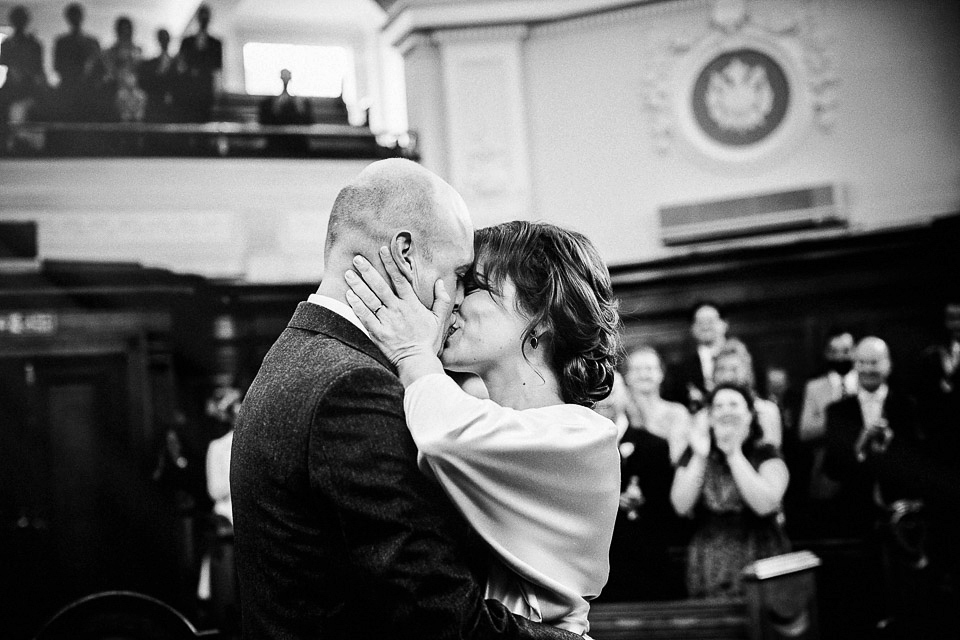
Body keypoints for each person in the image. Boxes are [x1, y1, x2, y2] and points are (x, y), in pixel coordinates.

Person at [231, 159, 583, 640]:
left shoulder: (298, 353)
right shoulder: (353, 388)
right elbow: (435, 614)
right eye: (460, 273)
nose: (459, 298)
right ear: (405, 254)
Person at [343, 220, 622, 633]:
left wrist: (412, 351)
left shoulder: (584, 437)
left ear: (542, 314)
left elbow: (444, 438)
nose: (452, 300)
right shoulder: (482, 420)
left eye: (472, 286)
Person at [671, 383, 790, 598]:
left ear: (749, 414)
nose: (726, 410)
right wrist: (700, 456)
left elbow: (765, 505)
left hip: (760, 551)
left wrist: (734, 454)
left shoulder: (766, 453)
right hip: (710, 557)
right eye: (718, 406)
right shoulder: (696, 452)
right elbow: (681, 505)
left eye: (733, 404)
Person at [603, 346, 688, 601]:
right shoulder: (594, 432)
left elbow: (673, 469)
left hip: (655, 524)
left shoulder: (668, 423)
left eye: (650, 368)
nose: (644, 374)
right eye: (637, 369)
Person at [821, 337, 922, 538]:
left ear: (889, 364)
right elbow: (831, 469)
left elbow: (922, 461)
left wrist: (892, 445)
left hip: (903, 513)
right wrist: (859, 447)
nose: (867, 369)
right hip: (856, 515)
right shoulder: (838, 411)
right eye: (861, 362)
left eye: (874, 362)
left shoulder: (908, 406)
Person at [664, 301, 729, 413]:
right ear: (692, 328)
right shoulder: (679, 370)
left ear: (725, 324)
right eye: (700, 322)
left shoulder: (745, 360)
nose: (706, 326)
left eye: (710, 320)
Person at [53, 2, 103, 121]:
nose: (75, 19)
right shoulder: (62, 42)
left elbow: (99, 67)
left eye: (77, 15)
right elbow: (58, 66)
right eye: (73, 16)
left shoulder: (92, 42)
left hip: (89, 92)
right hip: (69, 91)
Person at [0, 6, 46, 124]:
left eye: (21, 19)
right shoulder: (7, 43)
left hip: (29, 88)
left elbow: (38, 68)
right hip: (11, 88)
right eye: (17, 19)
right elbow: (4, 62)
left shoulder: (33, 43)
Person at [177, 3, 222, 122]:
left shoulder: (216, 43)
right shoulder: (187, 41)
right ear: (198, 18)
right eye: (202, 15)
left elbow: (218, 69)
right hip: (189, 90)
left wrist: (217, 91)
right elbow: (180, 65)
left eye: (206, 16)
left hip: (206, 91)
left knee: (204, 121)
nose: (204, 19)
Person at [103, 16, 144, 121]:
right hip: (118, 87)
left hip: (136, 89)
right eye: (123, 29)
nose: (126, 32)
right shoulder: (111, 51)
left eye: (128, 28)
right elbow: (109, 71)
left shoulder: (137, 50)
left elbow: (140, 70)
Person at [138, 29, 180, 122]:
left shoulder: (175, 62)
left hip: (172, 107)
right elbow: (146, 83)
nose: (164, 41)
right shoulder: (150, 63)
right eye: (162, 38)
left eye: (166, 38)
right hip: (156, 106)